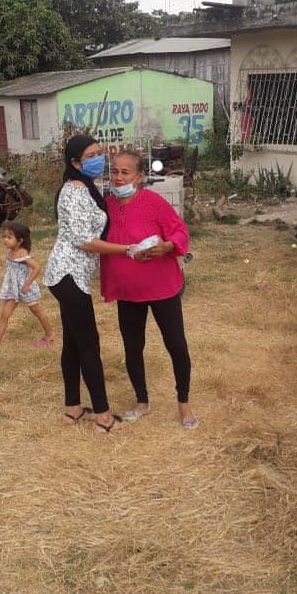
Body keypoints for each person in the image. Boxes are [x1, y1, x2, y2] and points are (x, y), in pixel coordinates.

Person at [81, 149, 198, 429]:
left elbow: (179, 231)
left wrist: (167, 246)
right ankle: (142, 401)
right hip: (128, 292)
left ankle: (184, 403)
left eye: (126, 172)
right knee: (133, 347)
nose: (118, 178)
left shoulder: (154, 203)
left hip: (162, 288)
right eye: (114, 172)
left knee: (176, 344)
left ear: (140, 177)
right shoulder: (106, 207)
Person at [43, 134, 129, 433]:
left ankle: (73, 410)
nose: (98, 159)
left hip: (68, 275)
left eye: (99, 153)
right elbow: (84, 241)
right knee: (89, 346)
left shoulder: (85, 186)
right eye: (91, 155)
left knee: (73, 343)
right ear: (75, 162)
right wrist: (126, 250)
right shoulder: (75, 191)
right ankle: (103, 417)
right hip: (69, 276)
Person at [0, 220, 54, 350]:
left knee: (37, 312)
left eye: (9, 237)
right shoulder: (9, 252)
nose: (5, 240)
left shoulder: (22, 254)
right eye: (4, 236)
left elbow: (37, 268)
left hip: (25, 289)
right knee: (4, 314)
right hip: (13, 289)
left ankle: (50, 335)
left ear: (20, 241)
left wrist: (27, 284)